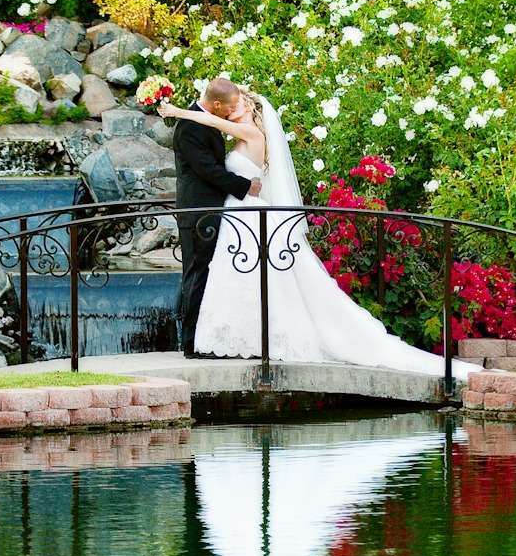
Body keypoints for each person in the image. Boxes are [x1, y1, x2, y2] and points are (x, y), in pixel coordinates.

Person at [159, 82, 476, 378]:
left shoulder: (249, 132)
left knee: (239, 278)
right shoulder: (224, 130)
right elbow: (209, 156)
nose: (232, 110)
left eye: (238, 105)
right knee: (227, 279)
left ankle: (223, 341)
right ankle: (218, 340)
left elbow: (218, 133)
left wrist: (180, 112)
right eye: (231, 105)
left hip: (241, 212)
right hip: (229, 214)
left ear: (251, 110)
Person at [169, 78, 263, 357]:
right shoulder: (190, 126)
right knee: (196, 273)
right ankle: (189, 344)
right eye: (230, 106)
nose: (232, 110)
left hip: (211, 211)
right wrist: (245, 187)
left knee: (204, 273)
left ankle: (201, 339)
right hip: (198, 212)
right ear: (217, 103)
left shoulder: (204, 120)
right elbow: (207, 169)